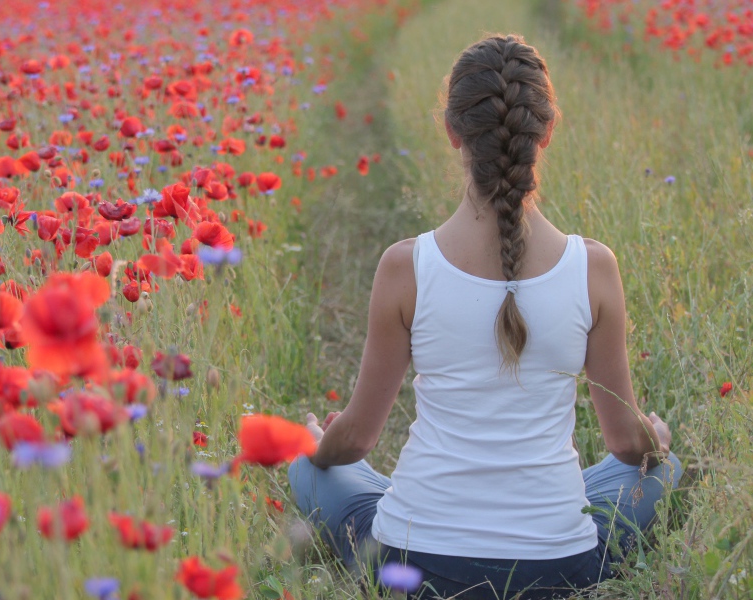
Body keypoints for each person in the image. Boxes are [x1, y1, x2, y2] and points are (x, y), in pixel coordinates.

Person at [287, 34, 682, 600]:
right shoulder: (593, 268)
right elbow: (625, 442)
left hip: (415, 565)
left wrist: (316, 444)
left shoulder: (406, 266)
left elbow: (355, 440)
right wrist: (656, 440)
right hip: (560, 569)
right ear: (546, 130)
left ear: (453, 131)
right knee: (660, 469)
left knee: (310, 466)